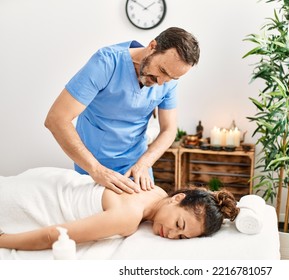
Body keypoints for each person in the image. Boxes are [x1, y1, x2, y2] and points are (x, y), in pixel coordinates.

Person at [44, 27, 200, 195]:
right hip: (93, 167)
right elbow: (56, 119)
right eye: (162, 71)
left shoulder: (168, 81)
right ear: (152, 46)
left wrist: (144, 164)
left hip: (136, 167)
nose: (162, 82)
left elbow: (169, 129)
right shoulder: (106, 62)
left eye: (172, 78)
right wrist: (96, 170)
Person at [0, 168, 238, 251]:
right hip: (32, 198)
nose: (173, 235)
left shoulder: (154, 191)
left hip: (47, 180)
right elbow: (54, 236)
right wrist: (3, 240)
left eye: (182, 237)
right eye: (179, 225)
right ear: (178, 199)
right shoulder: (128, 218)